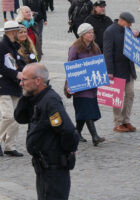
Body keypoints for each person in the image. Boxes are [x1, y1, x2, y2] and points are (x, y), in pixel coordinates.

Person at [14, 63, 79, 200]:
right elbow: (20, 117)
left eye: (24, 80)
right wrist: (25, 96)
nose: (21, 83)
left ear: (38, 81)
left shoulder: (50, 101)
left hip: (54, 168)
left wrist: (66, 153)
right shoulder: (36, 98)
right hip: (44, 168)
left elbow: (67, 131)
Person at [66, 23, 105, 145]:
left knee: (84, 111)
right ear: (82, 35)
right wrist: (69, 85)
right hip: (80, 85)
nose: (91, 34)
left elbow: (99, 63)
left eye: (92, 32)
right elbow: (71, 67)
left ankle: (76, 133)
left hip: (91, 85)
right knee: (87, 110)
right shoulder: (75, 48)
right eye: (89, 32)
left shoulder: (95, 47)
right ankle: (95, 137)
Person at [103, 12, 140, 133]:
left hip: (129, 67)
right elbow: (107, 52)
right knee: (116, 97)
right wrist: (109, 70)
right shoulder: (110, 31)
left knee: (130, 94)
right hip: (116, 69)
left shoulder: (128, 29)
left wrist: (138, 35)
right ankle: (118, 122)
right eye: (128, 23)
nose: (130, 25)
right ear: (121, 20)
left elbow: (135, 44)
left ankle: (126, 120)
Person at [0, 21, 24, 157]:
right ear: (11, 32)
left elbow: (15, 65)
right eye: (17, 31)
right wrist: (17, 74)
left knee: (15, 117)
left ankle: (10, 146)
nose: (19, 33)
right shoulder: (2, 46)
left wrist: (24, 72)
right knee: (8, 116)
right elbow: (2, 67)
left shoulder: (13, 46)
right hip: (3, 85)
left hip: (14, 85)